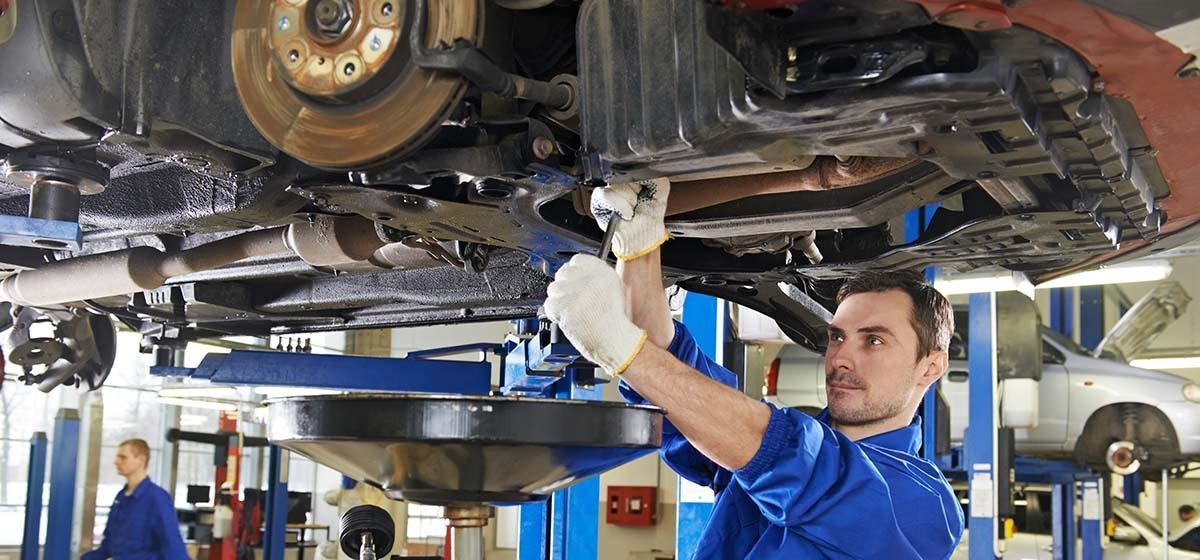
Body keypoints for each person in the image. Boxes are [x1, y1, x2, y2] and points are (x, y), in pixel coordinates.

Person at [544, 178, 964, 559]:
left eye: (873, 340)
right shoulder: (760, 444)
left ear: (931, 366)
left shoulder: (925, 508)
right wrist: (638, 248)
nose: (841, 357)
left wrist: (624, 349)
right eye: (837, 336)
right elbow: (680, 398)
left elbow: (795, 463)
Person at [82, 438, 189, 560]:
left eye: (123, 457)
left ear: (141, 460)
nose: (116, 462)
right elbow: (110, 544)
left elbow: (172, 544)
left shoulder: (157, 499)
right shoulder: (121, 498)